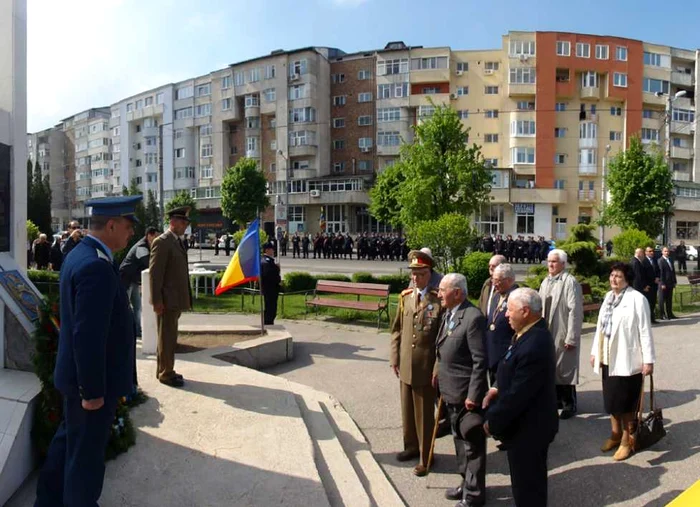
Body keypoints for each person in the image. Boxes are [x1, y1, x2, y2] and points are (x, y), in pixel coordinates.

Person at [34, 195, 141, 507]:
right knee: (85, 462)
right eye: (128, 225)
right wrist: (92, 391)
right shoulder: (96, 265)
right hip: (92, 388)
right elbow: (88, 336)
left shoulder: (82, 252)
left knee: (68, 445)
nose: (131, 232)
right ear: (110, 225)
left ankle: (48, 501)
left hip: (76, 379)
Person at [483, 288, 558, 507]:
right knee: (524, 484)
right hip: (522, 427)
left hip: (529, 429)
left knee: (528, 489)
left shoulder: (535, 343)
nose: (506, 315)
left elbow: (519, 394)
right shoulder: (526, 332)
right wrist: (496, 387)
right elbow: (510, 364)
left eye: (510, 310)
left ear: (525, 311)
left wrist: (492, 421)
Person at [590, 262, 655, 461]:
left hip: (627, 359)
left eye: (618, 276)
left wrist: (648, 360)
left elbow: (645, 330)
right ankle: (615, 434)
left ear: (627, 278)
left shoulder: (637, 299)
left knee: (626, 404)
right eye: (611, 275)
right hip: (609, 357)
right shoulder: (609, 298)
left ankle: (627, 441)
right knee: (611, 401)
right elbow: (600, 327)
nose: (613, 279)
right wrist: (595, 352)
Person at [390, 250, 443, 477]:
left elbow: (443, 338)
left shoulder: (438, 299)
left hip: (426, 366)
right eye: (413, 274)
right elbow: (397, 330)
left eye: (420, 274)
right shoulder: (406, 296)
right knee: (407, 411)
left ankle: (425, 456)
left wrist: (438, 367)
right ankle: (410, 446)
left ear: (429, 273)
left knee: (424, 415)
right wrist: (394, 357)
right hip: (406, 363)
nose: (415, 278)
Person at [436, 273, 488, 506]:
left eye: (442, 290)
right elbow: (443, 347)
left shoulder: (473, 317)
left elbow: (480, 361)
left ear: (457, 292)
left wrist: (473, 395)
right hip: (450, 391)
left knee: (472, 445)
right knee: (458, 442)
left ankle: (475, 495)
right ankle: (465, 483)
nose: (438, 294)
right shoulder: (450, 313)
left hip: (466, 395)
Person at [149, 207, 192, 388]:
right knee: (167, 337)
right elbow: (155, 274)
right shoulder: (163, 242)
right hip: (166, 300)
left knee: (167, 336)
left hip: (174, 299)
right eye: (182, 223)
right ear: (173, 222)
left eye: (186, 223)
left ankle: (164, 369)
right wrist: (157, 301)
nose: (185, 227)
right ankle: (166, 373)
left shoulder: (177, 241)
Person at [539, 249, 583, 419]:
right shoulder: (546, 281)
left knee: (565, 367)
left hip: (562, 329)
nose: (550, 264)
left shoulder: (569, 282)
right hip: (548, 330)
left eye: (554, 261)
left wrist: (571, 336)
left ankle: (569, 404)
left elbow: (575, 311)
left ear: (563, 264)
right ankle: (556, 400)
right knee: (552, 365)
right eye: (549, 261)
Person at [120, 227, 159, 338]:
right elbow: (149, 263)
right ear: (149, 236)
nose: (157, 239)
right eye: (156, 236)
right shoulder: (141, 247)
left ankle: (137, 330)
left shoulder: (147, 246)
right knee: (125, 306)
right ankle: (124, 330)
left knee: (137, 306)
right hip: (125, 280)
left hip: (133, 280)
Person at [485, 264, 518, 386]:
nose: (494, 284)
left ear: (509, 280)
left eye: (498, 280)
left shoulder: (516, 297)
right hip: (493, 355)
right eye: (493, 280)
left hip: (506, 356)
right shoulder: (495, 296)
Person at [261, 242, 281, 325]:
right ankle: (268, 324)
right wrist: (277, 269)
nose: (273, 250)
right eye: (272, 249)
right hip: (270, 289)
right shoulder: (266, 261)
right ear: (267, 250)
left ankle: (269, 322)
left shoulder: (267, 260)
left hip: (270, 288)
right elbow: (269, 275)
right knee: (270, 307)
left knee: (271, 307)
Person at [658, 246, 677, 320]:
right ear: (662, 252)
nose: (667, 252)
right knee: (662, 300)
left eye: (668, 251)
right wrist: (662, 283)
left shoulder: (670, 259)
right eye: (665, 251)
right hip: (664, 283)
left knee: (669, 299)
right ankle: (662, 314)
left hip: (670, 282)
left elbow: (673, 271)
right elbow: (661, 273)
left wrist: (674, 281)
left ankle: (670, 314)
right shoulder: (660, 261)